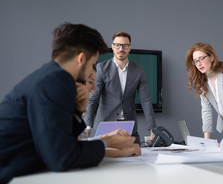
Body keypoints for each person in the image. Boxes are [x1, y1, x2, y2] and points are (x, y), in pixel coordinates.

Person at [0, 23, 141, 183]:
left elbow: (61, 142)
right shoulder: (56, 81)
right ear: (81, 59)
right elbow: (62, 157)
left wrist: (78, 111)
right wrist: (104, 143)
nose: (92, 74)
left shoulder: (49, 76)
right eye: (92, 63)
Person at [84, 31, 156, 143]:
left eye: (125, 45)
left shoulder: (138, 69)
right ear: (112, 47)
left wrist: (153, 127)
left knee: (134, 156)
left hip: (129, 126)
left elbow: (145, 100)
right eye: (117, 45)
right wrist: (88, 126)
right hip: (106, 126)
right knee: (106, 158)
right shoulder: (102, 68)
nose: (121, 49)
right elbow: (93, 98)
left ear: (129, 48)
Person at [185, 42, 223, 140]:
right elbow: (206, 111)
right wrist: (206, 140)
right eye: (195, 61)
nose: (199, 64)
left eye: (202, 58)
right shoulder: (203, 83)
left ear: (211, 57)